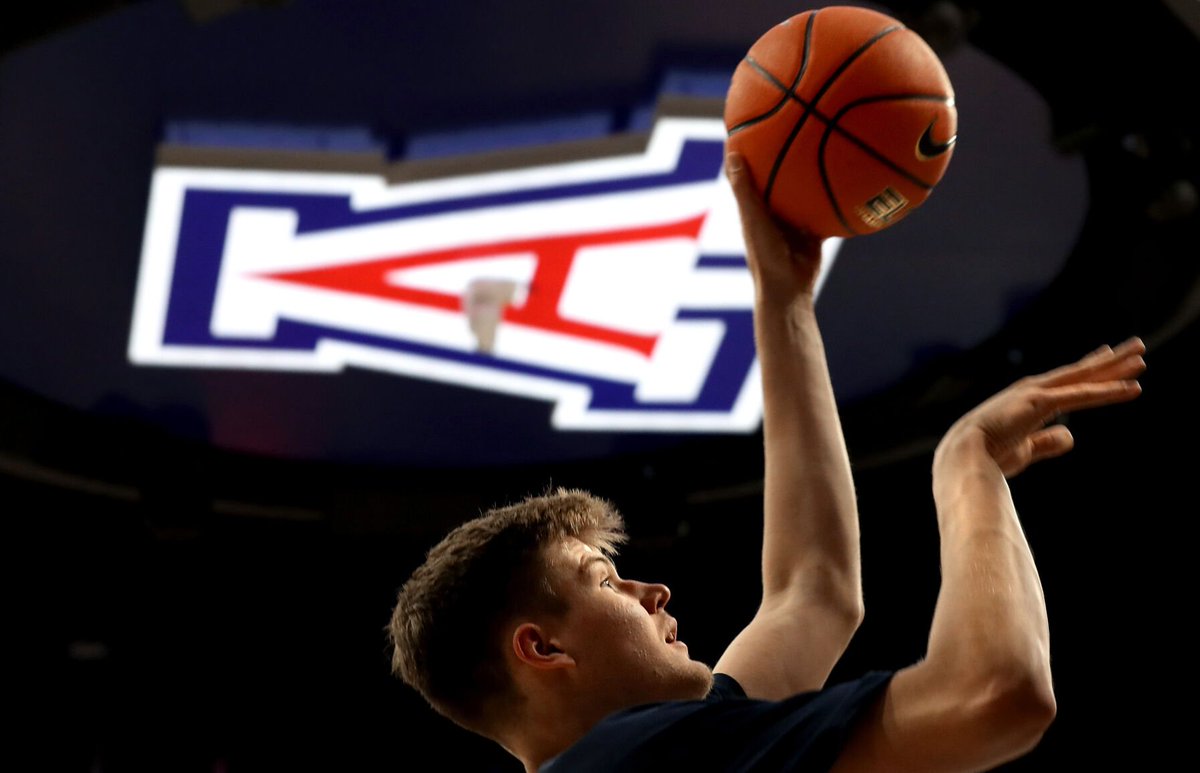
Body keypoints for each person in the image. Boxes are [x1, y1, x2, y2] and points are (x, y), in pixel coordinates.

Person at [385, 151, 1147, 772]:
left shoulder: (644, 754)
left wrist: (783, 303)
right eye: (604, 581)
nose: (653, 589)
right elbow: (996, 693)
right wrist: (967, 469)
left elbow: (813, 590)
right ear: (542, 647)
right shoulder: (639, 757)